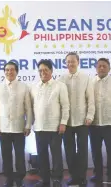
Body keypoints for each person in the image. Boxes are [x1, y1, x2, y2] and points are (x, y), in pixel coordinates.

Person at [0, 61, 33, 187]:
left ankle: (20, 178)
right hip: (3, 128)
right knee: (6, 155)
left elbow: (28, 108)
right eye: (7, 70)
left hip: (19, 127)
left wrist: (28, 125)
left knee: (20, 155)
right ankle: (8, 178)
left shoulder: (24, 87)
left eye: (12, 69)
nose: (9, 72)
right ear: (4, 72)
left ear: (17, 71)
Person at [30, 59, 69, 187]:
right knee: (42, 155)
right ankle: (44, 179)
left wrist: (63, 123)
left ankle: (57, 178)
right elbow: (31, 107)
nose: (43, 72)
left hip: (55, 127)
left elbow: (65, 106)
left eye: (46, 70)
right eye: (40, 70)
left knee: (56, 155)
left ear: (51, 71)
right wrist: (30, 124)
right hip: (39, 127)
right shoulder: (34, 87)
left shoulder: (60, 86)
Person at [58, 52, 95, 185]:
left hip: (82, 121)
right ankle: (74, 176)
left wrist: (90, 116)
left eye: (73, 61)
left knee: (82, 150)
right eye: (68, 61)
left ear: (78, 62)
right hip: (66, 122)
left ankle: (82, 176)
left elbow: (90, 99)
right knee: (69, 150)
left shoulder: (86, 78)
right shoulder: (61, 79)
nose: (70, 64)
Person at [89, 58, 111, 184]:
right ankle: (98, 174)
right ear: (96, 68)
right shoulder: (90, 82)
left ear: (109, 68)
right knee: (95, 152)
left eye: (104, 66)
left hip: (110, 123)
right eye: (99, 66)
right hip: (94, 124)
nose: (102, 68)